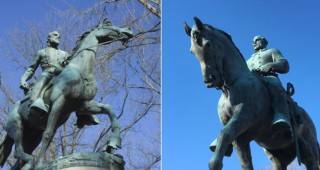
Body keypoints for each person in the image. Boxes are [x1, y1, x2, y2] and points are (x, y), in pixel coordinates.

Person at [20, 31, 99, 128]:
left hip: (62, 74)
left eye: (58, 36)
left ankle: (83, 114)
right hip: (48, 73)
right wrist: (23, 79)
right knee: (43, 78)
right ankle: (34, 104)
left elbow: (73, 63)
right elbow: (31, 69)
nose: (58, 36)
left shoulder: (64, 54)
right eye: (55, 35)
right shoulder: (41, 53)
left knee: (76, 86)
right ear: (49, 38)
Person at [246, 35, 291, 133]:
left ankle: (281, 115)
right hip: (252, 82)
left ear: (263, 41)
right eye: (252, 41)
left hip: (268, 77)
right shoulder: (248, 61)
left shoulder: (272, 51)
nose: (253, 43)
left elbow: (284, 65)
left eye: (256, 40)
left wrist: (271, 65)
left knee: (274, 85)